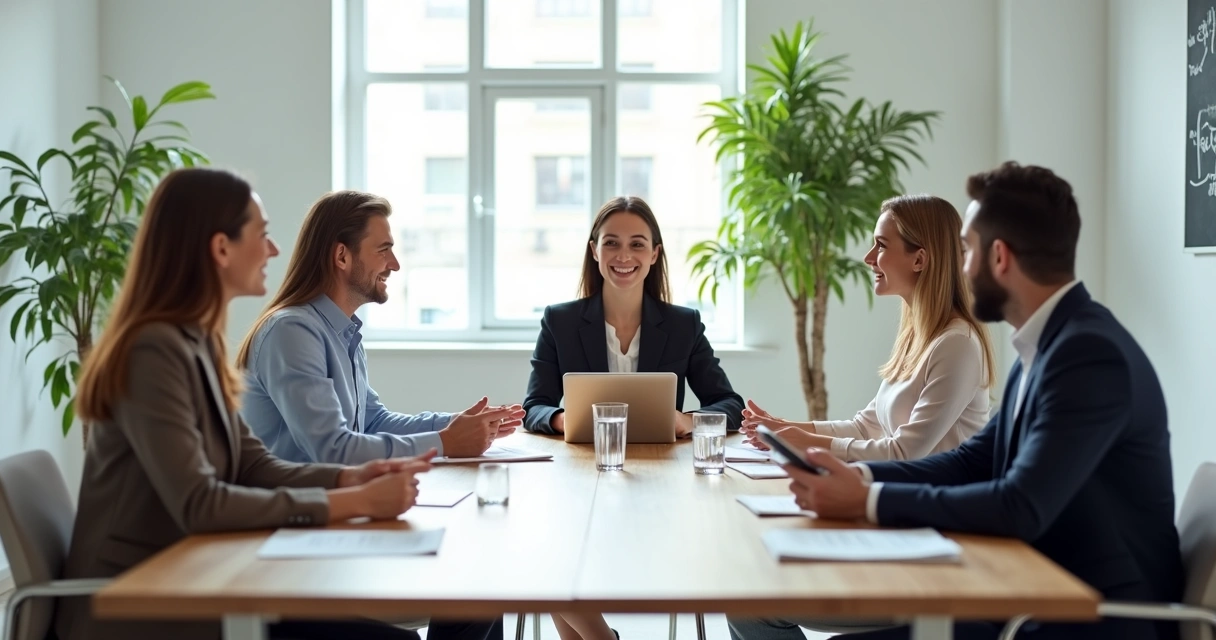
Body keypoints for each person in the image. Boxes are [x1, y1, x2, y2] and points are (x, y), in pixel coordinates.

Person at [738, 163, 1184, 640]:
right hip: (1027, 589)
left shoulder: (1088, 354)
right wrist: (860, 478)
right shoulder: (1047, 346)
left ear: (999, 257)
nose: (961, 265)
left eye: (967, 249)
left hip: (1088, 615)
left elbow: (1019, 505)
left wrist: (868, 499)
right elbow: (972, 460)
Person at [56, 167, 455, 640]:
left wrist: (350, 477)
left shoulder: (195, 343)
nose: (273, 249)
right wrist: (351, 501)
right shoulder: (152, 352)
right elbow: (200, 503)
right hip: (144, 604)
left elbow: (254, 465)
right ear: (221, 248)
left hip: (204, 576)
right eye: (261, 234)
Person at [523, 196, 744, 640]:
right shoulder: (560, 321)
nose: (624, 256)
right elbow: (535, 407)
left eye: (637, 244)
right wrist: (566, 420)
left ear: (655, 254)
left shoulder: (683, 324)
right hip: (580, 478)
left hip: (663, 487)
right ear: (594, 250)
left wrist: (687, 421)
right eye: (612, 243)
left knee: (554, 558)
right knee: (547, 546)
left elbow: (729, 404)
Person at [237, 190, 524, 466]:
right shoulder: (292, 331)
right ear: (342, 256)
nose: (395, 265)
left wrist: (458, 424)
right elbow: (332, 449)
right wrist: (447, 441)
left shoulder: (344, 332)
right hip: (295, 499)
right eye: (384, 250)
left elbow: (372, 422)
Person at [741, 194, 996, 462]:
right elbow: (865, 428)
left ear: (919, 260)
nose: (868, 257)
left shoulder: (957, 344)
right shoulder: (918, 337)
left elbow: (904, 452)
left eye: (881, 245)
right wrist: (781, 429)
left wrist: (804, 441)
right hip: (901, 485)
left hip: (934, 489)